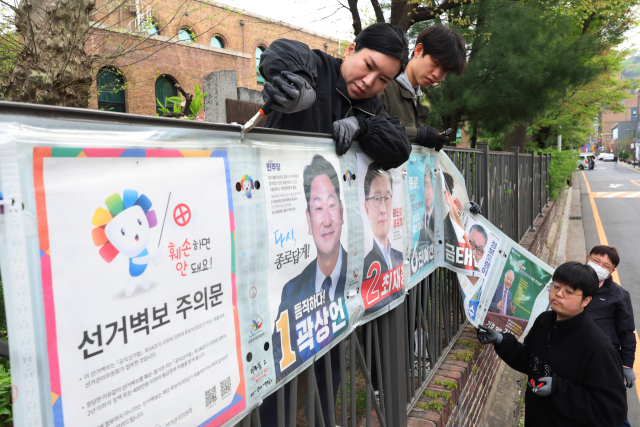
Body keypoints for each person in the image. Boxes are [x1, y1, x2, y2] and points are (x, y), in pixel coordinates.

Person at [477, 262, 627, 427]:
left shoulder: (597, 347)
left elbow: (612, 411)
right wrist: (500, 340)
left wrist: (558, 389)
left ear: (586, 300)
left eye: (568, 292)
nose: (559, 294)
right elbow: (530, 362)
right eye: (556, 286)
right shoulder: (544, 321)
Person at [262, 155, 347, 426]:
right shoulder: (291, 290)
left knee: (332, 363)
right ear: (308, 220)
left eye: (331, 206)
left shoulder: (357, 272)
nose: (327, 220)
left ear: (342, 212)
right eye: (318, 208)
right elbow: (278, 361)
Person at [258, 23, 411, 170]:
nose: (369, 82)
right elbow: (282, 49)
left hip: (330, 187)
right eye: (368, 66)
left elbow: (401, 148)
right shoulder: (319, 67)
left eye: (383, 80)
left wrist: (364, 127)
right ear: (350, 50)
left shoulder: (373, 107)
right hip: (278, 176)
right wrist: (300, 81)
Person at [378, 24, 466, 151]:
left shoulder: (417, 101)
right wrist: (419, 135)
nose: (437, 74)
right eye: (435, 62)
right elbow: (371, 128)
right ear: (419, 50)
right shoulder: (383, 85)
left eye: (445, 70)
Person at [584, 246, 636, 427]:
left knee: (612, 410)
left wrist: (627, 365)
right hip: (575, 354)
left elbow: (626, 332)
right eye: (596, 261)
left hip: (605, 360)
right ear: (587, 258)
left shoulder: (619, 295)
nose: (599, 267)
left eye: (606, 265)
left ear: (612, 271)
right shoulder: (572, 284)